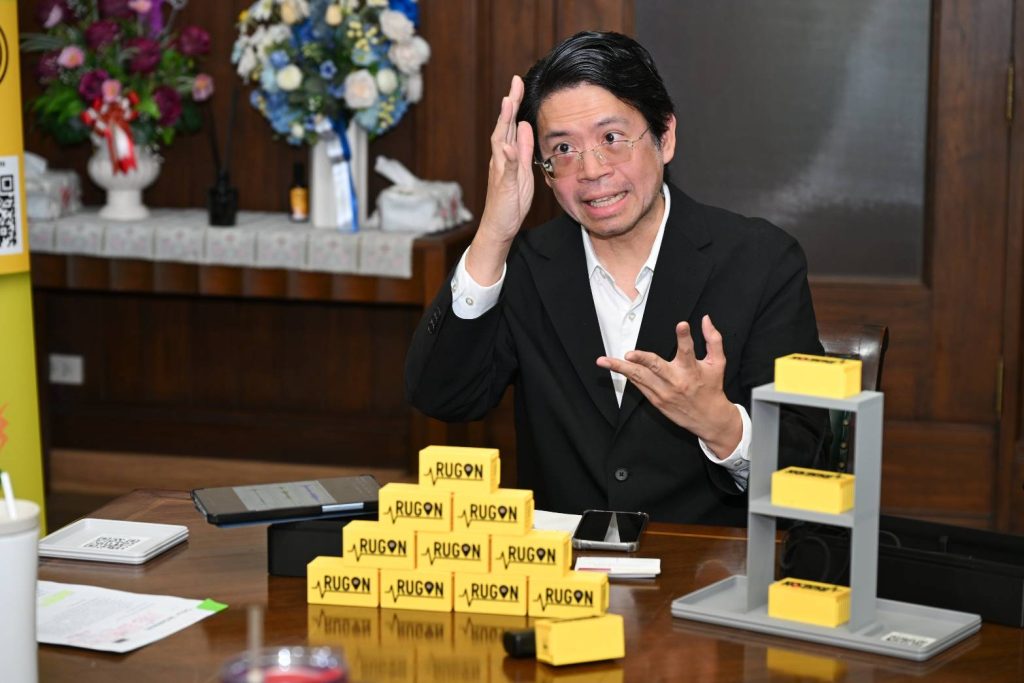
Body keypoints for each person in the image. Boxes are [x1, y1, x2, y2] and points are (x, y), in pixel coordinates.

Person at [406, 31, 826, 525]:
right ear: (544, 169)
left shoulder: (760, 260)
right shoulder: (526, 265)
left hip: (705, 559)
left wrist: (721, 426)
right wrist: (494, 233)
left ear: (665, 137)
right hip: (563, 563)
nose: (591, 170)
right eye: (564, 148)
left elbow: (806, 459)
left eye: (611, 138)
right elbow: (444, 396)